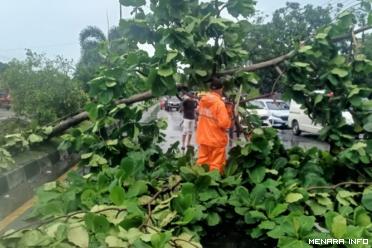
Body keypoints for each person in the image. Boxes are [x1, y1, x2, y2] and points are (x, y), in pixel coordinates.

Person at [196, 78, 231, 173]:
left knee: (202, 162)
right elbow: (224, 124)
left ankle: (200, 180)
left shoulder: (203, 101)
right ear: (221, 89)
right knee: (216, 165)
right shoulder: (219, 104)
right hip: (216, 140)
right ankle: (213, 183)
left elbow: (207, 116)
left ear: (210, 89)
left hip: (203, 138)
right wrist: (229, 112)